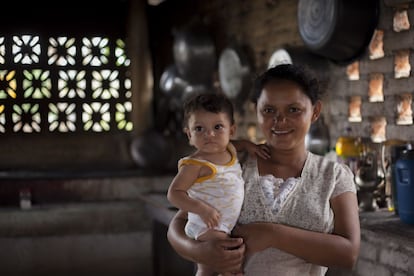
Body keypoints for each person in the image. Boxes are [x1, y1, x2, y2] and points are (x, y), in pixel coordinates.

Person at [167, 64, 361, 275]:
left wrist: (272, 235)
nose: (280, 120)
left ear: (315, 112)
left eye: (293, 109)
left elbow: (348, 254)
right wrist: (199, 251)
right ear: (256, 111)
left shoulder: (333, 176)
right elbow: (178, 225)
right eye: (269, 110)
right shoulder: (229, 163)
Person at [167, 93, 269, 276]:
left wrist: (249, 146)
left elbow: (238, 144)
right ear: (189, 134)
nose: (210, 135)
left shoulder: (229, 148)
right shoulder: (195, 164)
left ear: (231, 131)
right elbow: (174, 193)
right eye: (199, 129)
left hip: (223, 224)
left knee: (227, 263)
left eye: (217, 127)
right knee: (216, 265)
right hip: (208, 225)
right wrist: (202, 209)